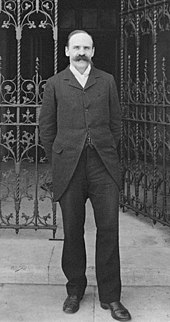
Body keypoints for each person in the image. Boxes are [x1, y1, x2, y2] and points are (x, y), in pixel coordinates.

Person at [39, 29, 131, 321]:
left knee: (109, 230)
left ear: (93, 51)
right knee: (73, 231)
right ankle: (74, 290)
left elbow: (116, 123)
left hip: (103, 166)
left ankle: (111, 296)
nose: (81, 52)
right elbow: (47, 128)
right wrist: (61, 156)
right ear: (66, 51)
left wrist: (104, 148)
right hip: (70, 166)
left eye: (87, 47)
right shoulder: (55, 84)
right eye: (76, 47)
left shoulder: (107, 81)